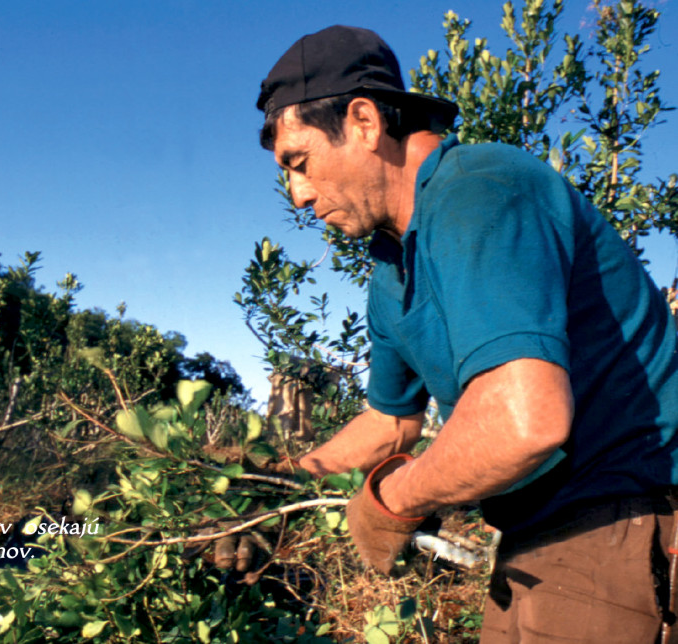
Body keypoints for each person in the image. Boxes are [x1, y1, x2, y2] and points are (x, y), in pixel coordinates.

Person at [255, 25, 678, 643]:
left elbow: (523, 422)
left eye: (300, 162)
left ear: (365, 121)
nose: (296, 194)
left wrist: (393, 498)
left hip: (622, 513)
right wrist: (275, 487)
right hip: (537, 531)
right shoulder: (391, 266)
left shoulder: (478, 188)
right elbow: (389, 422)